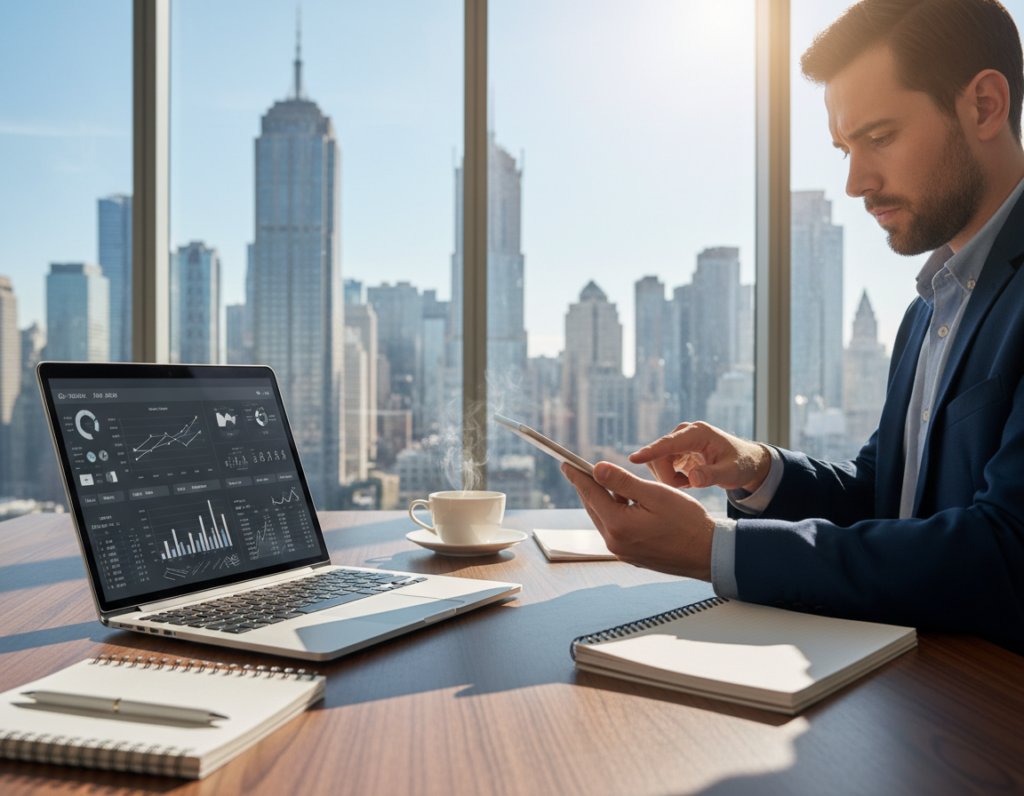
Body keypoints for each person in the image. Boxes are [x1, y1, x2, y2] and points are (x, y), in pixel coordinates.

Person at [560, 0, 1024, 654]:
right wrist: (754, 467)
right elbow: (882, 497)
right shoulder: (929, 309)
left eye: (880, 136)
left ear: (984, 105)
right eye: (845, 149)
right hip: (921, 695)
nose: (856, 182)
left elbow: (1007, 553)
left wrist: (713, 549)